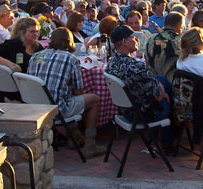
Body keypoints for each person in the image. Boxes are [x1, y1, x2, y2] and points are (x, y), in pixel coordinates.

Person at [28, 28, 106, 158]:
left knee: (68, 97)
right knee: (93, 99)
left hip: (35, 106)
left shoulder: (36, 56)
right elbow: (78, 89)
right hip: (57, 109)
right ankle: (90, 145)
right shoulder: (70, 59)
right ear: (70, 42)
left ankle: (74, 137)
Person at [106, 25, 172, 150]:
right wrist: (163, 92)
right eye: (133, 38)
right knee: (168, 92)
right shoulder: (136, 67)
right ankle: (167, 143)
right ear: (124, 42)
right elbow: (157, 95)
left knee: (161, 79)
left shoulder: (111, 62)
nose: (137, 41)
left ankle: (165, 140)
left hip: (125, 109)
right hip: (141, 114)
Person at [146, 11, 184, 86]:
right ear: (179, 25)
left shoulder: (151, 39)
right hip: (173, 84)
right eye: (182, 25)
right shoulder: (179, 40)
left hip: (153, 83)